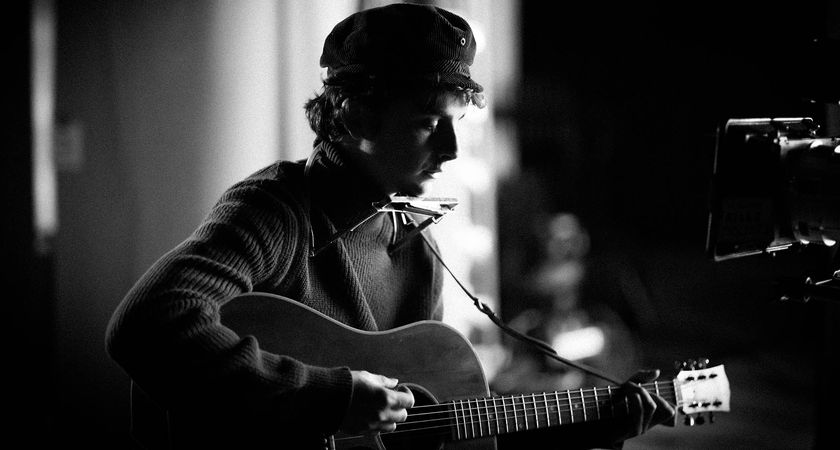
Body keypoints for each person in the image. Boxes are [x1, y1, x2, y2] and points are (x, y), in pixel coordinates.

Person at [105, 3, 673, 449]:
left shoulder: (413, 247)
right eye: (429, 123)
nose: (451, 150)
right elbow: (148, 323)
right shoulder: (275, 210)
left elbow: (437, 424)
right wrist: (329, 398)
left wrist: (592, 425)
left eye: (456, 123)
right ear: (356, 113)